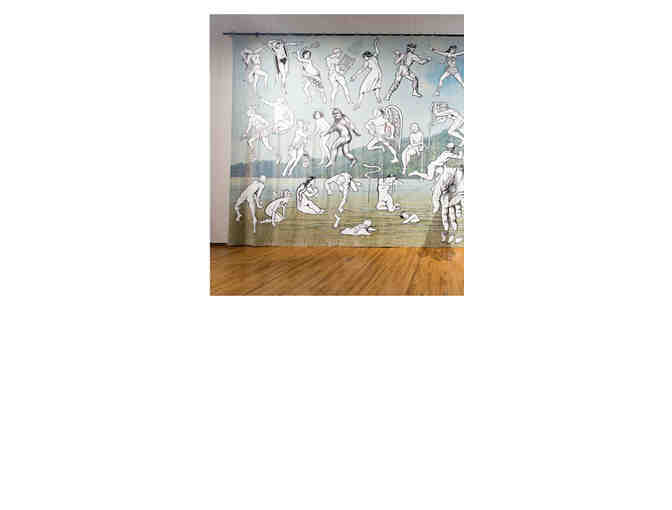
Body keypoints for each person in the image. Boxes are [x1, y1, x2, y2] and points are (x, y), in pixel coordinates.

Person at [350, 37, 383, 110]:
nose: (364, 58)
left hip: (374, 73)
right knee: (376, 87)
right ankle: (378, 98)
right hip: (379, 73)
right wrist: (375, 44)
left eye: (364, 57)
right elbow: (377, 51)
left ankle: (359, 103)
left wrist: (354, 76)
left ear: (366, 56)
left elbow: (361, 69)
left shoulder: (368, 61)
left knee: (363, 88)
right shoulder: (374, 57)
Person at [440, 166, 464, 244]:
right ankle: (450, 234)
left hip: (450, 200)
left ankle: (451, 234)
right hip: (449, 199)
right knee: (449, 218)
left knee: (451, 218)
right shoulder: (453, 181)